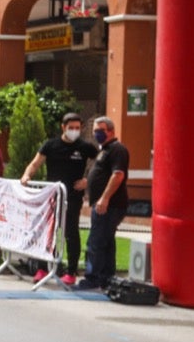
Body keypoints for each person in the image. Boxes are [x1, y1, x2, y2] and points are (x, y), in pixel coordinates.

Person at [21, 112, 98, 285]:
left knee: (71, 232)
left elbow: (101, 164)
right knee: (48, 231)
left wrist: (88, 180)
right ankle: (42, 268)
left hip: (73, 197)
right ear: (63, 127)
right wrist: (26, 176)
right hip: (52, 196)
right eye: (71, 128)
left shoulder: (85, 147)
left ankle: (71, 271)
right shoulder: (51, 145)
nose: (74, 131)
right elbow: (35, 164)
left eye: (77, 128)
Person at [78, 115, 128, 290]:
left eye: (100, 131)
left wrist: (104, 198)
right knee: (106, 241)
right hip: (104, 204)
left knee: (96, 241)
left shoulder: (117, 150)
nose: (97, 135)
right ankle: (106, 278)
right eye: (95, 132)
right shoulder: (105, 150)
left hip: (110, 205)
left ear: (111, 131)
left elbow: (118, 175)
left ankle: (92, 278)